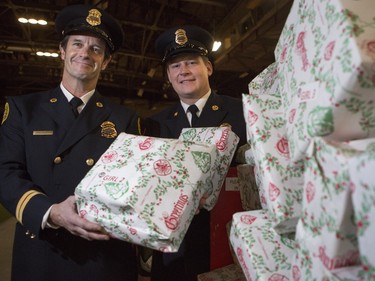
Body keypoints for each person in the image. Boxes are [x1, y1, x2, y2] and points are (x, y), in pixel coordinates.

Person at [0, 4, 142, 281]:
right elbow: (4, 172)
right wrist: (50, 212)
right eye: (77, 44)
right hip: (43, 250)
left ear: (106, 61)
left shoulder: (126, 118)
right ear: (62, 51)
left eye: (96, 49)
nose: (85, 53)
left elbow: (136, 184)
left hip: (105, 256)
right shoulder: (22, 109)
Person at [148, 25, 247, 281]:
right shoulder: (154, 124)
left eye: (192, 63)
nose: (184, 72)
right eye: (175, 66)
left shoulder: (243, 112)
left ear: (209, 68)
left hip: (229, 240)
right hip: (174, 250)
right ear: (168, 76)